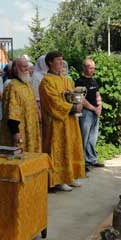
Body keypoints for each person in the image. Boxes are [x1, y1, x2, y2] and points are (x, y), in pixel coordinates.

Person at [39, 51, 85, 192]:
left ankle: (70, 177)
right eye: (58, 60)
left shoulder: (66, 80)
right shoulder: (46, 81)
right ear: (50, 63)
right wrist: (72, 107)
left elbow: (73, 95)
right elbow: (54, 102)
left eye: (61, 60)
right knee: (58, 149)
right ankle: (58, 180)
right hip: (57, 122)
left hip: (70, 121)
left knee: (71, 146)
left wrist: (78, 99)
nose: (61, 63)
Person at [1, 56, 41, 152]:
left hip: (31, 128)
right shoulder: (12, 86)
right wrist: (15, 132)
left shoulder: (27, 85)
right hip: (20, 130)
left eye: (27, 66)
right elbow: (11, 111)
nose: (27, 69)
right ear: (15, 69)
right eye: (23, 67)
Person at [75, 58, 104, 171]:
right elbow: (81, 99)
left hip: (95, 112)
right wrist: (93, 108)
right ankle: (82, 162)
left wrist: (100, 106)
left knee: (93, 137)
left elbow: (97, 94)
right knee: (84, 137)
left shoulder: (94, 80)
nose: (93, 70)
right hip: (86, 112)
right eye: (91, 68)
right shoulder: (79, 81)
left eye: (93, 68)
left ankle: (91, 159)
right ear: (84, 67)